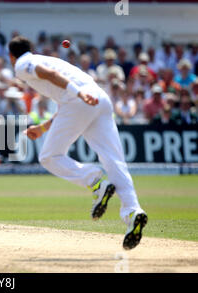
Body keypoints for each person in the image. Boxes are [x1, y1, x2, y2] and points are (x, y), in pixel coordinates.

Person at [9, 36, 147, 250]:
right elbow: (65, 106)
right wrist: (43, 127)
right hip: (100, 100)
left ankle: (95, 181)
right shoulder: (51, 61)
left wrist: (78, 93)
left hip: (81, 99)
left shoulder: (21, 64)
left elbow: (50, 76)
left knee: (48, 157)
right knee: (114, 161)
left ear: (11, 56)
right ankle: (133, 210)